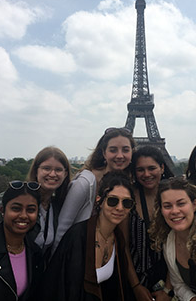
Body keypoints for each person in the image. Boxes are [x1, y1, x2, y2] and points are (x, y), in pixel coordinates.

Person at [37, 171, 135, 301]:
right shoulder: (77, 236)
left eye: (127, 203)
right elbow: (59, 286)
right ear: (99, 200)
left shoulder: (118, 240)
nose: (120, 208)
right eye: (113, 201)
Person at [0, 146, 72, 258]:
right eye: (46, 168)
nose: (52, 174)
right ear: (36, 171)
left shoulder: (57, 206)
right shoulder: (13, 197)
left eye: (58, 170)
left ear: (65, 174)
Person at [51, 127, 135, 254]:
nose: (120, 155)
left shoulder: (127, 182)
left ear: (132, 152)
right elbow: (63, 228)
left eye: (125, 150)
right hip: (78, 254)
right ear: (104, 153)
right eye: (113, 150)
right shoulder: (85, 183)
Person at [123, 146, 175, 301]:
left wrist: (168, 289)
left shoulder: (174, 197)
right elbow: (124, 246)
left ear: (162, 167)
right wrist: (136, 286)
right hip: (136, 279)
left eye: (152, 168)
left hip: (172, 279)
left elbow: (182, 244)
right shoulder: (128, 198)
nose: (146, 174)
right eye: (140, 170)